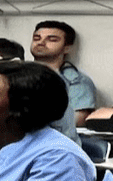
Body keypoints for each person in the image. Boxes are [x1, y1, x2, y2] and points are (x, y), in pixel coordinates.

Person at [31, 20, 106, 159]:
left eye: (52, 39)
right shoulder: (16, 76)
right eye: (37, 38)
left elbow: (76, 121)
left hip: (56, 147)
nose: (41, 42)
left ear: (67, 48)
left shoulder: (77, 81)